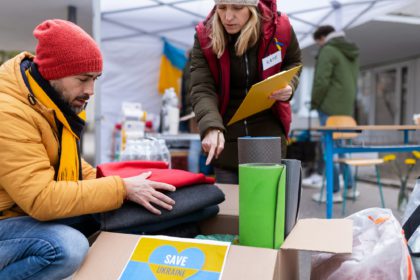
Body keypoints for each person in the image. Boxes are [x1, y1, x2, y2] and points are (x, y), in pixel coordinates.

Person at [0, 19, 176, 279]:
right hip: (9, 220)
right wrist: (120, 188)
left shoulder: (48, 101)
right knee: (66, 246)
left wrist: (123, 186)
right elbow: (41, 199)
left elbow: (68, 168)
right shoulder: (9, 112)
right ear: (53, 73)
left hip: (18, 215)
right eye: (82, 79)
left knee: (114, 216)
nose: (90, 90)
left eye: (95, 79)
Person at [190, 0, 302, 183]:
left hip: (268, 132)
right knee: (229, 207)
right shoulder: (205, 36)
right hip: (225, 132)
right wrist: (211, 126)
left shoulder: (279, 29)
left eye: (237, 8)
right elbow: (202, 87)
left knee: (266, 206)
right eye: (222, 7)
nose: (227, 16)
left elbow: (294, 62)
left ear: (252, 7)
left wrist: (289, 86)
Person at [308, 25, 360, 203]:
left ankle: (334, 191)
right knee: (342, 150)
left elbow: (321, 81)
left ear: (323, 37)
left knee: (329, 150)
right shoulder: (349, 51)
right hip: (346, 108)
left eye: (318, 42)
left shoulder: (329, 50)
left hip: (329, 108)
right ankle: (351, 188)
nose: (319, 46)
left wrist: (315, 102)